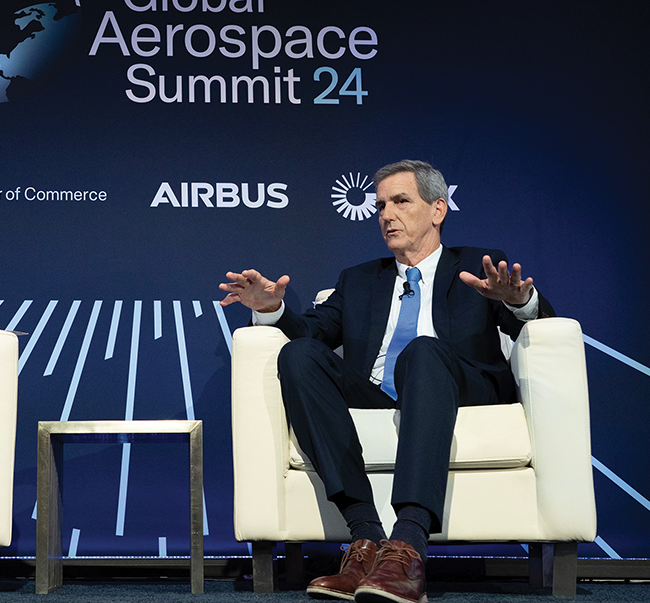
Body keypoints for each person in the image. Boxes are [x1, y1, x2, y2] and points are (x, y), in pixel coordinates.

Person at [219, 160, 553, 603]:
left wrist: (521, 302)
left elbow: (542, 327)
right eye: (379, 205)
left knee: (424, 351)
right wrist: (272, 311)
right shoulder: (359, 280)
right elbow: (311, 333)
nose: (385, 214)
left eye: (400, 201)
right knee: (297, 354)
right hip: (379, 394)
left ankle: (409, 546)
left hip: (462, 388)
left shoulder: (477, 265)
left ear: (438, 209)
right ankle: (366, 540)